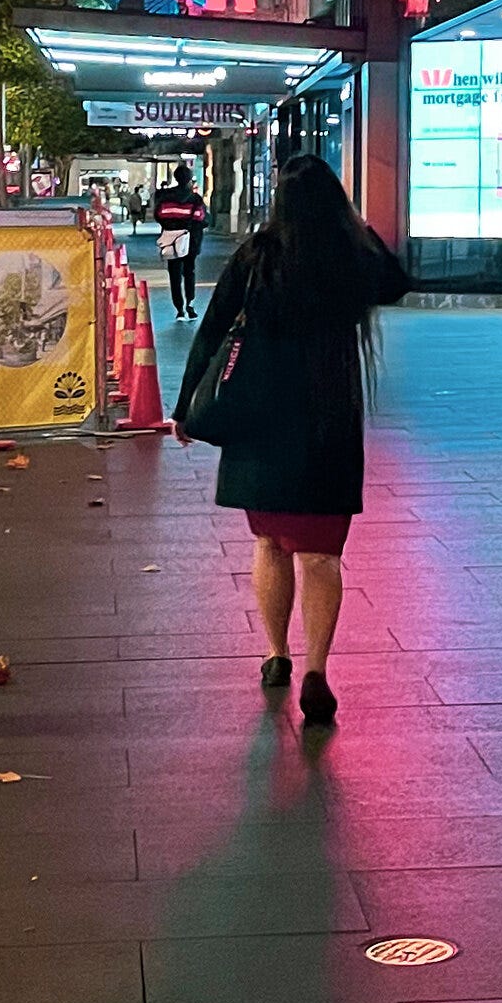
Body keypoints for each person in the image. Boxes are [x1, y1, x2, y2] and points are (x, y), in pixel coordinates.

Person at [173, 154, 408, 725]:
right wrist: (355, 224)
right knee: (322, 555)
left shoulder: (257, 255)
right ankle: (317, 671)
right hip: (328, 421)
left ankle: (276, 654)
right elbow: (397, 282)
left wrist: (185, 408)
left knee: (271, 543)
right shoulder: (348, 256)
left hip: (259, 419)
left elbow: (213, 328)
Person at [154, 160, 208, 319]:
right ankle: (190, 304)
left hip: (171, 239)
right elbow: (202, 219)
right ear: (190, 178)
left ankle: (179, 309)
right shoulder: (195, 199)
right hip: (191, 241)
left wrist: (171, 225)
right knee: (189, 272)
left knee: (174, 274)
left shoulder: (165, 197)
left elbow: (159, 216)